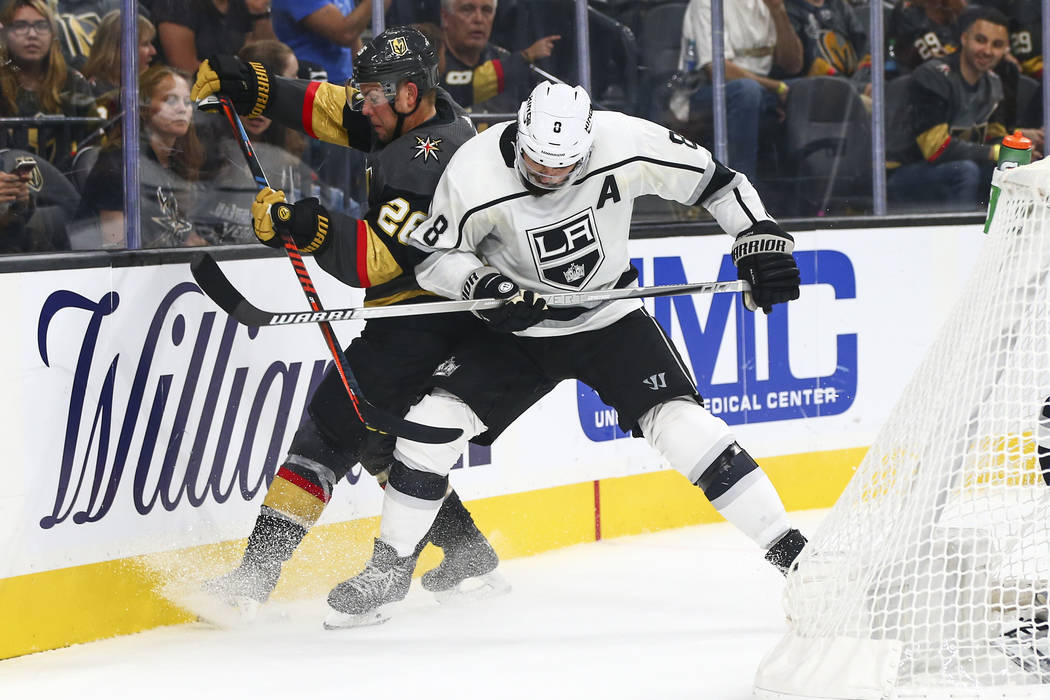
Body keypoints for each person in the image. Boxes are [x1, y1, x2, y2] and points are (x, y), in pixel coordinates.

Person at [264, 80, 811, 628]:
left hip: (609, 318)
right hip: (519, 333)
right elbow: (434, 259)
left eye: (562, 167)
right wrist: (480, 285)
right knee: (428, 428)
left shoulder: (624, 139)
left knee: (684, 427)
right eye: (536, 163)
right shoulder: (473, 170)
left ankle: (796, 559)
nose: (548, 176)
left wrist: (758, 236)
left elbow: (720, 183)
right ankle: (389, 571)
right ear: (520, 132)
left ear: (588, 143)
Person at [187, 26, 510, 621]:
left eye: (375, 94)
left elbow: (375, 261)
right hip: (421, 317)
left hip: (421, 322)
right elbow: (336, 111)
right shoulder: (416, 117)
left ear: (410, 93)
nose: (364, 104)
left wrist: (301, 225)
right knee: (382, 443)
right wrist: (254, 87)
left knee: (330, 432)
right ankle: (469, 555)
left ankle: (251, 583)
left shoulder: (429, 160)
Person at [887, 6, 1044, 211]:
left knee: (1009, 173)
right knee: (965, 171)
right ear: (964, 39)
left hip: (954, 167)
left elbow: (992, 137)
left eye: (997, 45)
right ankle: (959, 238)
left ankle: (1005, 235)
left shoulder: (994, 83)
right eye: (980, 40)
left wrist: (1014, 152)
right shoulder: (932, 76)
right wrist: (994, 152)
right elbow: (936, 149)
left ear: (1006, 49)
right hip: (904, 173)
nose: (987, 51)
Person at [668, 0, 803, 185]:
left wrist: (778, 11)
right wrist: (775, 87)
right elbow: (718, 70)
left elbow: (793, 64)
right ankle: (739, 190)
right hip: (704, 93)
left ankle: (807, 193)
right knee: (747, 92)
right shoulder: (708, 3)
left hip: (761, 90)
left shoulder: (767, 4)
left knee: (809, 90)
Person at [80, 65, 211, 247]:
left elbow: (186, 231)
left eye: (187, 102)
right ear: (143, 107)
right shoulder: (118, 165)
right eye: (170, 100)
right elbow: (116, 247)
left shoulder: (182, 159)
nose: (182, 109)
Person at [0, 0, 102, 171]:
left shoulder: (73, 83)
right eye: (21, 26)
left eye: (41, 26)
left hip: (67, 190)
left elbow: (94, 151)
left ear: (53, 34)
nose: (32, 34)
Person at [437, 0, 560, 114]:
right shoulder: (431, 62)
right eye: (467, 9)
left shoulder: (505, 59)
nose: (479, 19)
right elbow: (455, 92)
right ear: (445, 17)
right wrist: (524, 57)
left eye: (486, 10)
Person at [271, 0, 391, 85]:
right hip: (311, 84)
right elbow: (346, 33)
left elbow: (353, 36)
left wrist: (366, 77)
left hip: (344, 81)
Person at [151, 0, 274, 73]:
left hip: (232, 88)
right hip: (191, 94)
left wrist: (259, 12)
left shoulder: (238, 3)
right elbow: (184, 68)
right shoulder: (177, 4)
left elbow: (264, 55)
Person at [784, 0, 871, 92]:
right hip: (818, 92)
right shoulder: (788, 11)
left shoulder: (839, 5)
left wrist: (866, 83)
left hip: (857, 86)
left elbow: (865, 50)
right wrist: (859, 88)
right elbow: (813, 68)